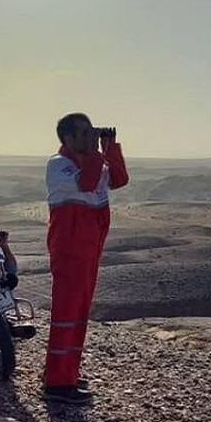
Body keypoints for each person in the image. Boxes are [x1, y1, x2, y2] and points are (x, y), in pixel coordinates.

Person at [43, 113, 128, 405]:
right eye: (84, 133)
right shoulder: (58, 165)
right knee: (66, 316)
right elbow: (88, 183)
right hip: (70, 251)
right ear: (68, 138)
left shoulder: (92, 159)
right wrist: (95, 153)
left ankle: (67, 373)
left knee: (79, 315)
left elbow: (119, 179)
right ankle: (56, 383)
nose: (90, 137)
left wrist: (110, 148)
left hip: (89, 249)